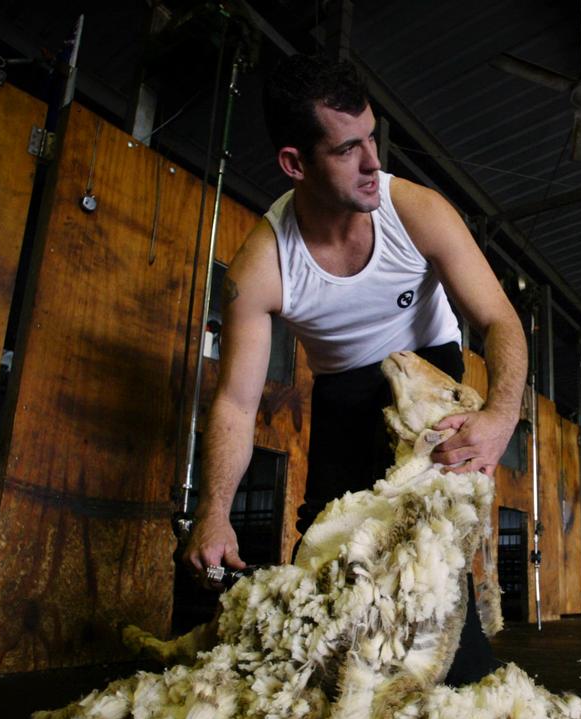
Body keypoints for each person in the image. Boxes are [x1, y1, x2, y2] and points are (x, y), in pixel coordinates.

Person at [182, 53, 526, 684]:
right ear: (295, 164)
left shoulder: (416, 210)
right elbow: (235, 401)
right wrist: (214, 509)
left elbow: (501, 320)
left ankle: (456, 668)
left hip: (429, 382)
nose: (373, 163)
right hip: (341, 397)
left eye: (373, 138)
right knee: (323, 590)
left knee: (436, 605)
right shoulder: (264, 264)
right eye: (348, 149)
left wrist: (502, 417)